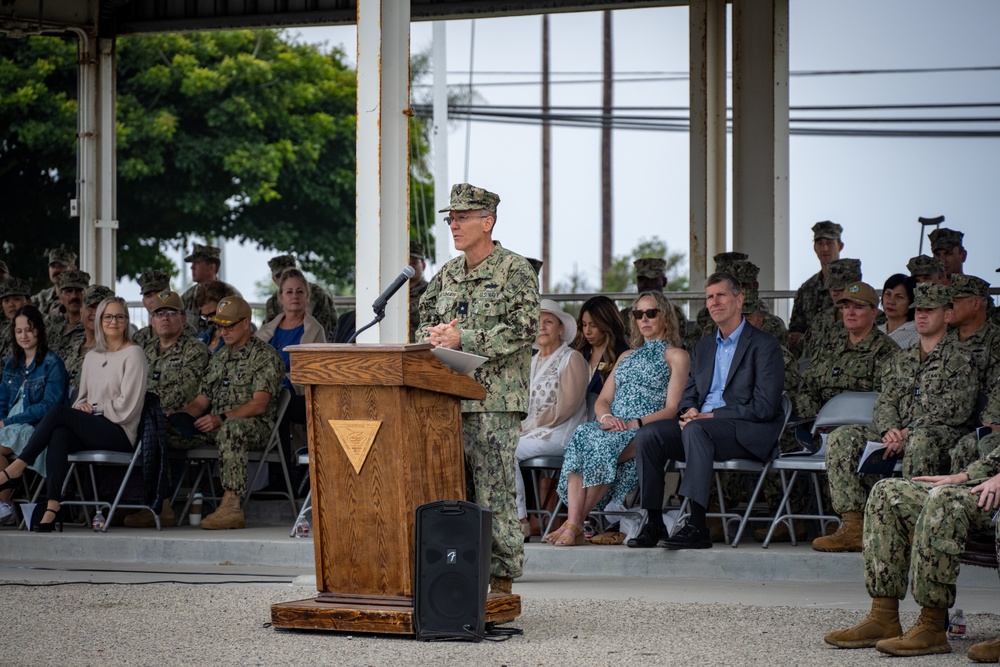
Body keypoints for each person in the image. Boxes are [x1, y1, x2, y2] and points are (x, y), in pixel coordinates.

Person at [416, 183, 539, 595]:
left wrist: (462, 339)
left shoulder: (514, 270)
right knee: (454, 493)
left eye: (462, 217)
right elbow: (424, 320)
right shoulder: (447, 274)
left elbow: (524, 329)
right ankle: (460, 574)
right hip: (448, 399)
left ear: (487, 222)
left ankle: (502, 581)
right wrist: (434, 336)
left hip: (494, 402)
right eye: (451, 218)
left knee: (494, 491)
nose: (454, 225)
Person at [813, 283, 978, 552]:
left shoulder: (961, 358)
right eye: (918, 310)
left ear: (947, 316)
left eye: (929, 310)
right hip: (896, 434)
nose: (921, 316)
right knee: (844, 438)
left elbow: (955, 408)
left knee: (921, 440)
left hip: (941, 434)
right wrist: (890, 428)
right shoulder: (901, 359)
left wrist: (907, 431)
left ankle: (916, 527)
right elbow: (886, 400)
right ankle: (853, 525)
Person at [630, 272, 784, 550]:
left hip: (745, 432)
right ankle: (653, 522)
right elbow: (690, 394)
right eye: (710, 297)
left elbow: (764, 407)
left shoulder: (764, 345)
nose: (714, 302)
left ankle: (697, 526)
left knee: (697, 429)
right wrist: (689, 410)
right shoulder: (703, 346)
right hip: (701, 429)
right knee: (649, 434)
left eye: (721, 295)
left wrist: (707, 417)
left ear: (739, 300)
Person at [823, 445, 1000, 656]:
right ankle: (883, 616)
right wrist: (964, 476)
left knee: (944, 500)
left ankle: (932, 625)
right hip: (987, 489)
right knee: (887, 492)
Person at [0, 296, 147, 532]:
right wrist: (81, 407)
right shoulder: (92, 357)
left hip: (120, 431)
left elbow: (128, 406)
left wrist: (93, 408)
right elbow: (82, 398)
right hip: (92, 426)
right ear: (99, 320)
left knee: (59, 413)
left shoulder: (134, 353)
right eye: (108, 316)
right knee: (59, 432)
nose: (113, 321)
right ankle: (52, 505)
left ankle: (17, 467)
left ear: (127, 320)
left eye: (120, 316)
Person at [554, 290, 689, 547]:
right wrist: (606, 417)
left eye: (651, 313)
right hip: (614, 425)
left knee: (601, 447)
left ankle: (574, 523)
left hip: (647, 428)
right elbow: (603, 400)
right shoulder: (627, 355)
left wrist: (634, 423)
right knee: (583, 434)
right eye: (639, 314)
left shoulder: (676, 355)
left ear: (665, 316)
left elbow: (672, 408)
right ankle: (575, 522)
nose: (644, 319)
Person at [174, 296, 284, 530]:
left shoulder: (264, 356)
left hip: (255, 427)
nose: (223, 331)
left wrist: (221, 418)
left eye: (229, 325)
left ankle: (232, 506)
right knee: (165, 432)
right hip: (217, 426)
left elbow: (259, 404)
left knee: (232, 428)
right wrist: (178, 417)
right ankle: (163, 504)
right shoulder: (221, 357)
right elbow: (202, 400)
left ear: (246, 322)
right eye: (219, 326)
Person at [125, 290, 210, 528]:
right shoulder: (144, 351)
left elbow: (187, 390)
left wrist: (147, 409)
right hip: (143, 418)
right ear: (151, 320)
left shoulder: (194, 350)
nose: (164, 318)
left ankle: (160, 506)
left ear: (183, 319)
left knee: (153, 431)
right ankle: (122, 501)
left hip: (180, 422)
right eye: (159, 313)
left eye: (171, 313)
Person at [513, 299, 590, 538]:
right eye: (537, 322)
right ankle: (509, 517)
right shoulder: (532, 360)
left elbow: (566, 407)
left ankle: (519, 520)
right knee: (492, 446)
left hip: (560, 435)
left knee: (504, 449)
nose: (542, 327)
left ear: (560, 329)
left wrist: (526, 425)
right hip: (531, 435)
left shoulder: (572, 358)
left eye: (549, 322)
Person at [0, 305, 68, 523]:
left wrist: (8, 422)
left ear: (39, 329)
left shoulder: (52, 364)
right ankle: (5, 505)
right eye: (19, 331)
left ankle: (5, 505)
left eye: (29, 329)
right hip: (9, 427)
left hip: (36, 430)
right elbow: (2, 400)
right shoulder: (13, 362)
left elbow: (49, 407)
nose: (24, 335)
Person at [794, 282, 899, 420]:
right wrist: (814, 418)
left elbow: (885, 401)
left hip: (858, 427)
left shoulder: (887, 350)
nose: (850, 313)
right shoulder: (830, 344)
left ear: (874, 311)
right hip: (817, 423)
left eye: (858, 307)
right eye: (846, 307)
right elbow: (807, 386)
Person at [256, 268, 326, 457]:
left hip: (300, 396)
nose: (294, 296)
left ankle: (283, 472)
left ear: (307, 297)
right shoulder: (266, 330)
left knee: (280, 402)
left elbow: (317, 373)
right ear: (280, 298)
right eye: (289, 291)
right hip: (264, 392)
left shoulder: (314, 330)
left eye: (299, 291)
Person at [789, 221, 843, 350]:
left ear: (840, 246)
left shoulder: (850, 285)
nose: (824, 248)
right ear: (815, 248)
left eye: (829, 243)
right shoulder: (806, 289)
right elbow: (795, 329)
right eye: (820, 243)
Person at [262, 255, 337, 342]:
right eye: (279, 275)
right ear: (274, 279)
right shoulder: (272, 302)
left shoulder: (319, 295)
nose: (285, 277)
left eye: (290, 273)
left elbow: (326, 331)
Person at [799, 257, 862, 355]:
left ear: (855, 286)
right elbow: (806, 358)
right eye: (831, 287)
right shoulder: (819, 320)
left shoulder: (873, 319)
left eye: (840, 288)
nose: (834, 293)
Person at [571, 295, 630, 397]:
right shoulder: (579, 352)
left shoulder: (623, 355)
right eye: (584, 325)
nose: (587, 331)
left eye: (593, 325)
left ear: (608, 324)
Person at [61, 285, 114, 390]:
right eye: (91, 307)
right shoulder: (71, 347)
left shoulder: (113, 350)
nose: (95, 313)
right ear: (81, 312)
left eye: (101, 308)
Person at [180, 244, 240, 335]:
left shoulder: (230, 295)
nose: (192, 267)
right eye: (192, 264)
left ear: (211, 267)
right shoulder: (185, 298)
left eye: (197, 263)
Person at [44, 269, 90, 359]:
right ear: (60, 297)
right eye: (69, 291)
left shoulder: (92, 331)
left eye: (79, 291)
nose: (74, 296)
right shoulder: (51, 332)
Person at [31, 246, 76, 318]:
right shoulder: (42, 297)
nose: (56, 270)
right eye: (52, 266)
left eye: (61, 266)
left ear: (73, 269)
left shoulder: (78, 297)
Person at [878, 273, 919, 349]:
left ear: (911, 302)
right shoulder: (876, 330)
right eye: (888, 294)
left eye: (899, 297)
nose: (891, 301)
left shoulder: (917, 335)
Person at [132, 270, 172, 349]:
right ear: (143, 302)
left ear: (170, 296)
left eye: (159, 294)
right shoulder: (138, 338)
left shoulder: (187, 332)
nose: (154, 299)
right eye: (148, 296)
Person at [0, 277, 32, 368]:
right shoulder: (3, 330)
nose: (11, 304)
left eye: (16, 299)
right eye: (6, 301)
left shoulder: (37, 329)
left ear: (29, 302)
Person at [193, 280, 232, 355]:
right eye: (205, 316)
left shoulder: (235, 338)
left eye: (213, 314)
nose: (209, 320)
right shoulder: (202, 336)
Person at [408, 242, 429, 343]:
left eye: (414, 262)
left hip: (418, 346)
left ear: (423, 265)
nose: (410, 266)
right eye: (407, 262)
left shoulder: (430, 291)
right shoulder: (394, 292)